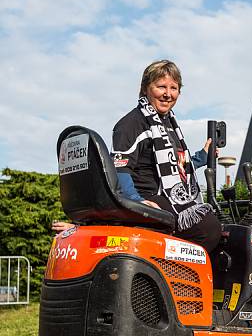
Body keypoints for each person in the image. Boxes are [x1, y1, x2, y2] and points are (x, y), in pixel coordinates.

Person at [53, 60, 222, 253]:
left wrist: (203, 156)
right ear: (145, 88)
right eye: (161, 87)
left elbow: (177, 166)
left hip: (168, 197)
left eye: (173, 88)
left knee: (217, 225)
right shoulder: (132, 123)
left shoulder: (167, 125)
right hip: (149, 196)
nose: (168, 94)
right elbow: (121, 167)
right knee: (206, 228)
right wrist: (137, 203)